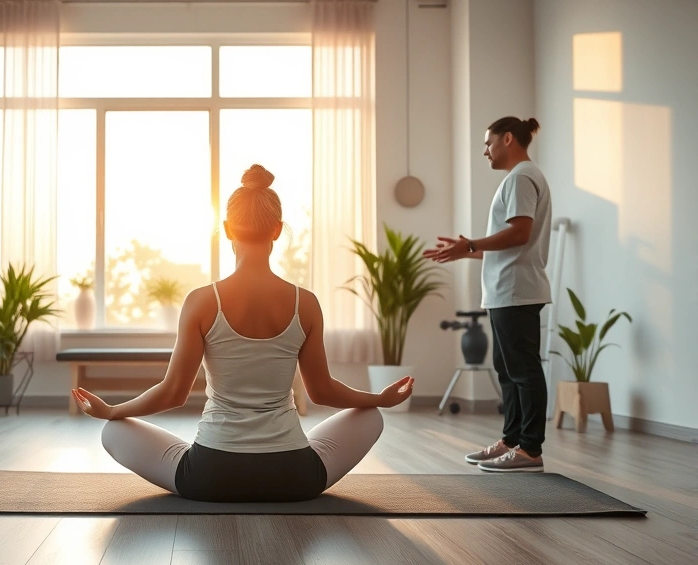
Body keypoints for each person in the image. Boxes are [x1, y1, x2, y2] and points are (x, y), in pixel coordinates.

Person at [71, 164, 413, 502]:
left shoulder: (202, 301)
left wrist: (113, 411)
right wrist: (378, 400)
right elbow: (321, 392)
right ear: (277, 230)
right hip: (295, 477)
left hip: (210, 476)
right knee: (371, 417)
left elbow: (173, 393)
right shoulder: (304, 303)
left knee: (114, 431)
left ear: (227, 228)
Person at [423, 117, 552, 473]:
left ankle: (530, 449)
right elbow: (507, 243)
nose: (485, 151)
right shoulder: (519, 178)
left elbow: (519, 234)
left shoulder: (522, 177)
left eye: (488, 143)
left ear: (507, 138)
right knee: (508, 370)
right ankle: (512, 441)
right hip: (506, 289)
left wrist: (472, 243)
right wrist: (466, 250)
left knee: (523, 370)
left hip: (516, 289)